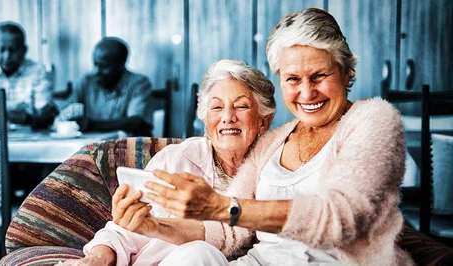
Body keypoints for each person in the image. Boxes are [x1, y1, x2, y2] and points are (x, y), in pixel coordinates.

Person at [119, 8, 414, 265]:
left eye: (319, 76)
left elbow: (340, 218)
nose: (307, 92)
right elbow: (225, 231)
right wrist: (151, 226)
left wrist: (223, 207)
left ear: (347, 71)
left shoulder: (373, 118)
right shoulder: (274, 140)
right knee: (195, 255)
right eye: (293, 79)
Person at [59, 59, 276, 266]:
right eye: (217, 108)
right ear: (205, 119)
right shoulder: (177, 159)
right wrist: (97, 258)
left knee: (201, 253)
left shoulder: (277, 167)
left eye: (241, 106)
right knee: (199, 253)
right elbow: (127, 230)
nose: (227, 117)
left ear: (263, 120)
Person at [0, 21, 58, 129]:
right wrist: (14, 116)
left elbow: (44, 114)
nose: (7, 56)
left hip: (31, 139)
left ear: (24, 50)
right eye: (2, 49)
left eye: (13, 50)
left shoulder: (39, 72)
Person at [55, 37, 153, 136]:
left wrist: (92, 125)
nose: (97, 71)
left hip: (130, 146)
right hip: (94, 144)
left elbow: (136, 122)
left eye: (104, 66)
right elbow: (67, 109)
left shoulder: (139, 83)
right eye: (95, 64)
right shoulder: (87, 81)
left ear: (120, 64)